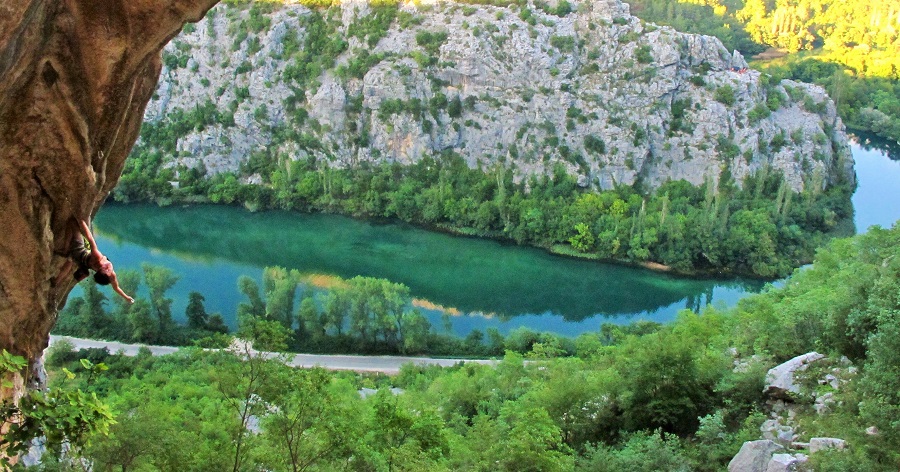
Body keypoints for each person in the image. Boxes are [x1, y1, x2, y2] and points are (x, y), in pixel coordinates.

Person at [69, 219, 135, 304]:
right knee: (86, 229)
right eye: (109, 271)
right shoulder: (110, 274)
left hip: (79, 254)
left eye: (106, 269)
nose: (109, 268)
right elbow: (116, 288)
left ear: (100, 268)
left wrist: (82, 222)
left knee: (75, 229)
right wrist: (127, 297)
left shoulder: (97, 258)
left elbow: (91, 239)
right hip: (86, 260)